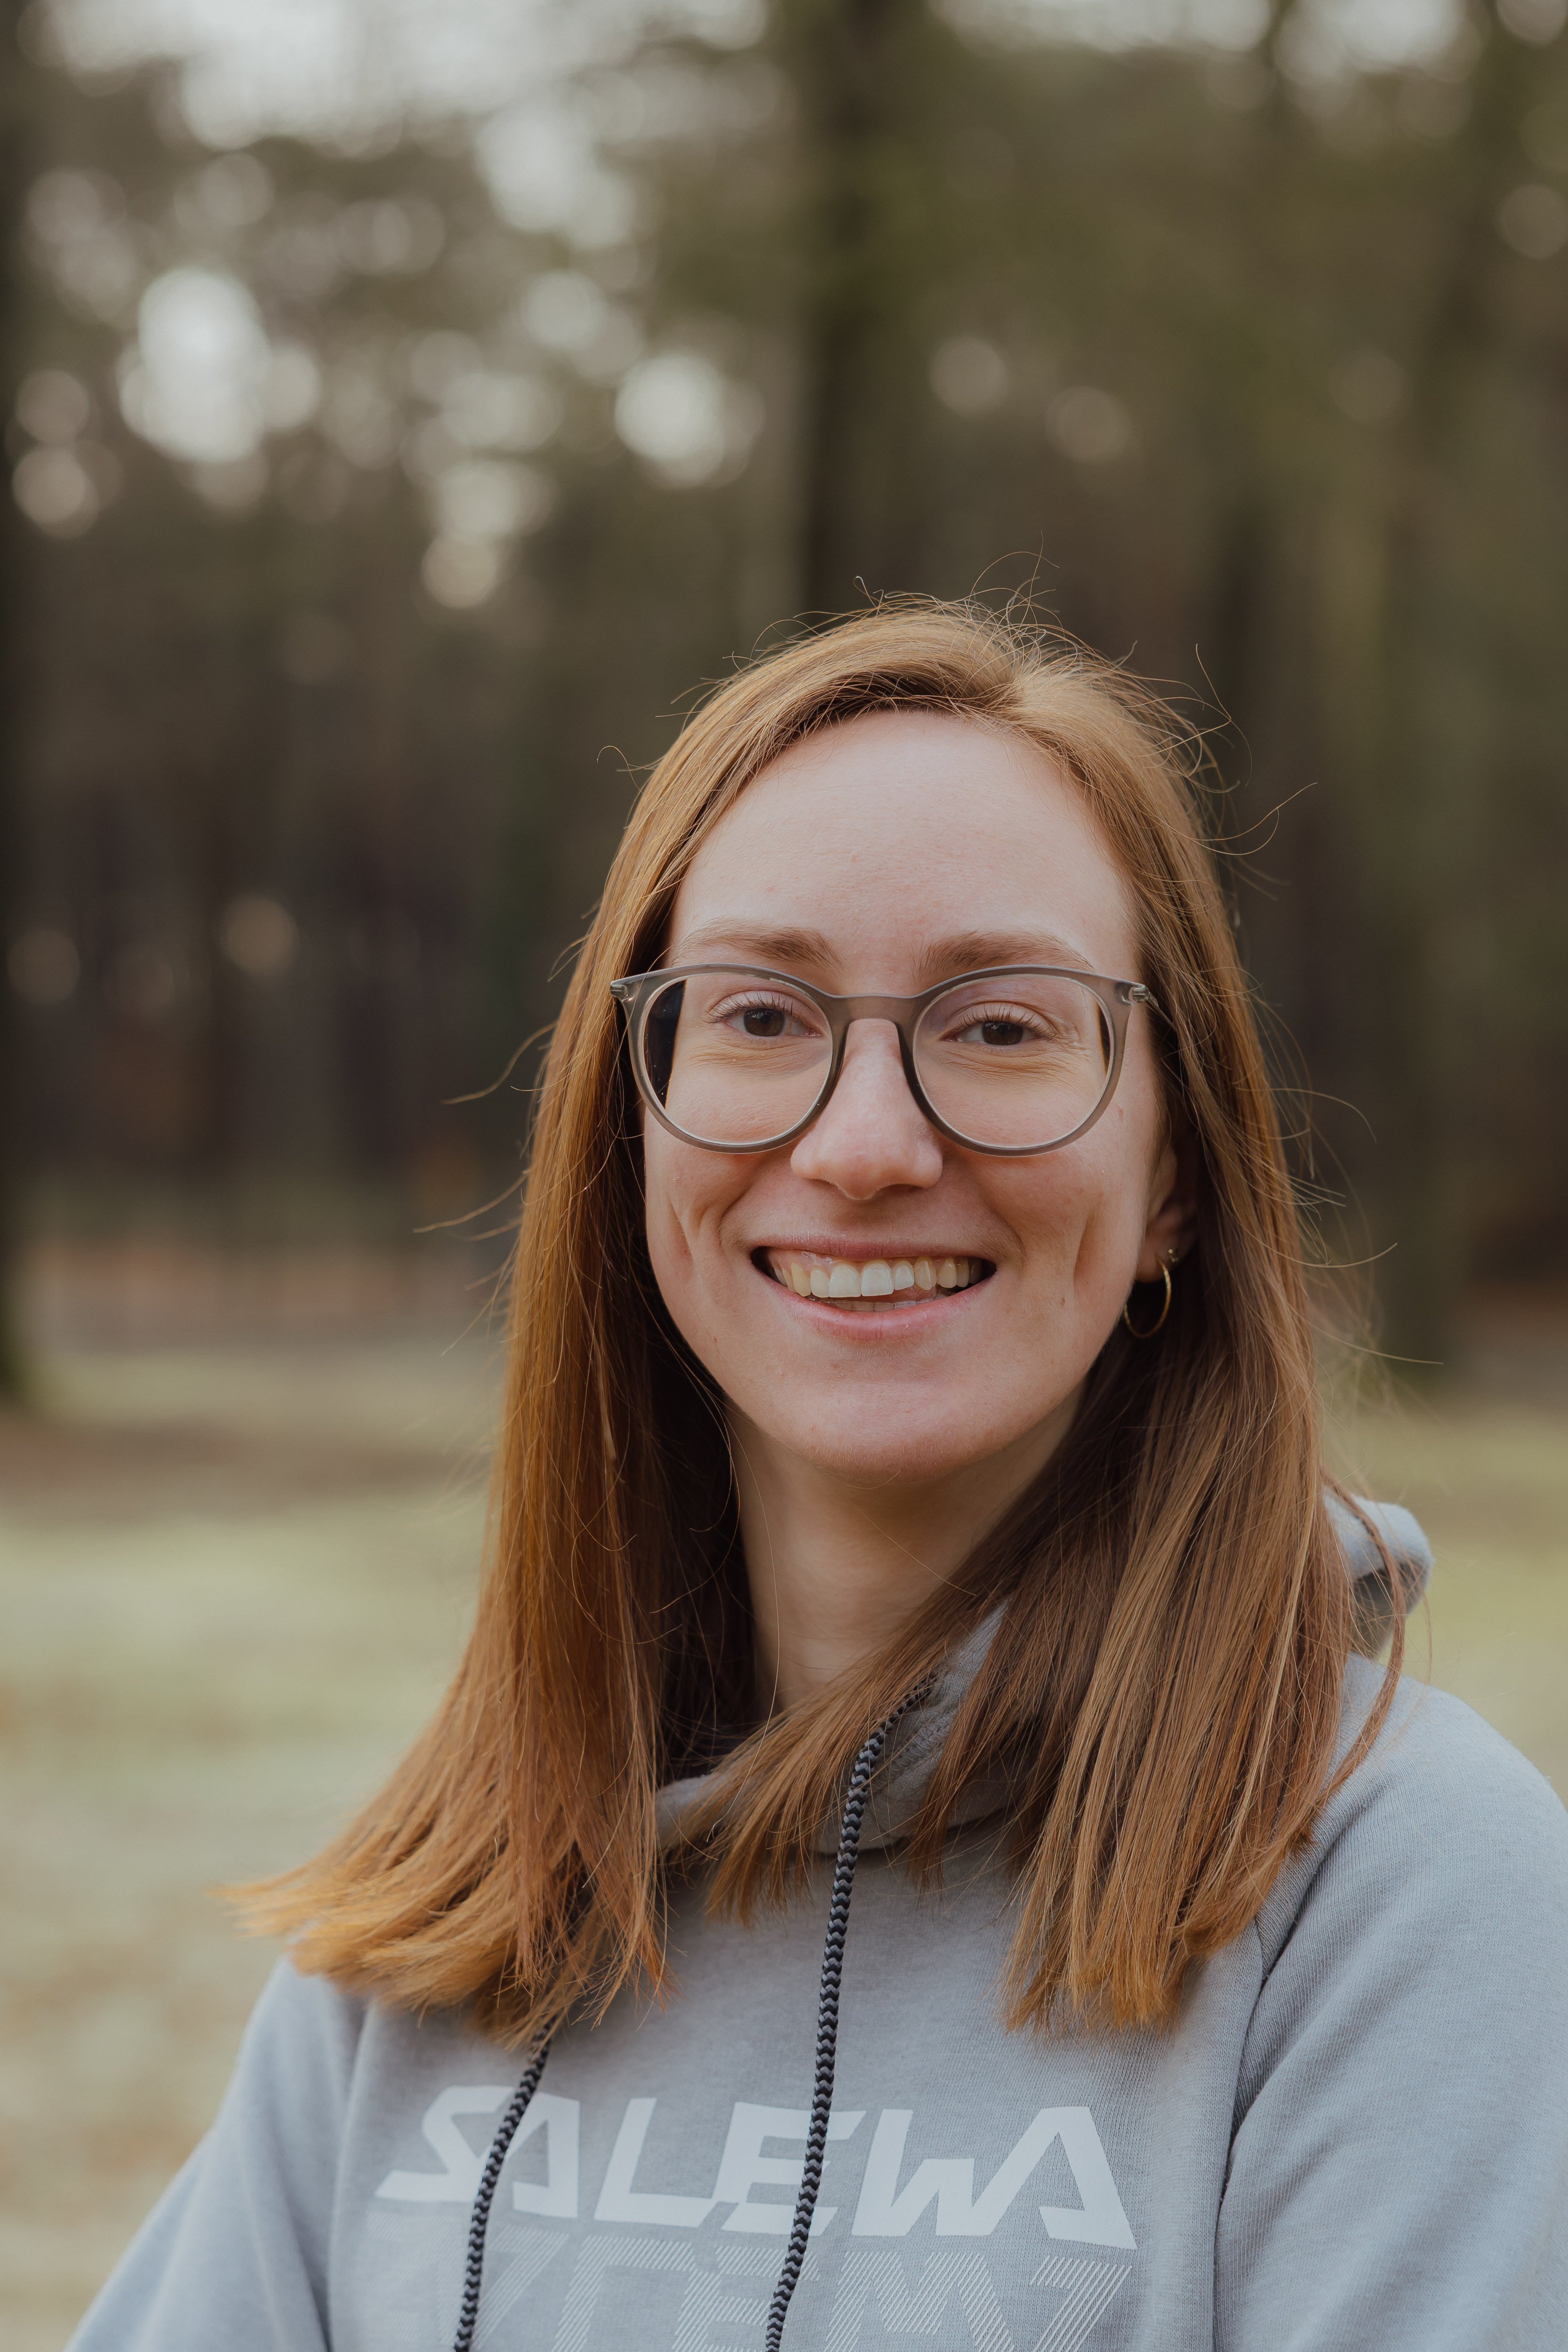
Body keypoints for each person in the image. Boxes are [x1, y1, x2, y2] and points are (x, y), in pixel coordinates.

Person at [70, 603, 1568, 2352]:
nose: (862, 1146)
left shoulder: (1401, 1893)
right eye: (762, 1016)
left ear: (1172, 1173)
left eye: (1002, 1027)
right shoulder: (451, 1907)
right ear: (630, 1137)